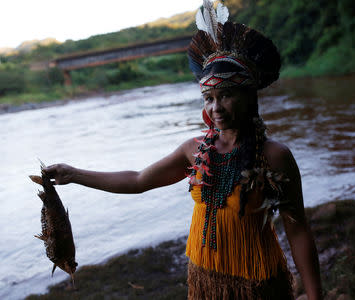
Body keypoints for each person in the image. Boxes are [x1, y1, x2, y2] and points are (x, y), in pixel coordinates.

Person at [43, 1, 323, 299]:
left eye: (226, 95)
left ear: (249, 96)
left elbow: (298, 230)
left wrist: (317, 296)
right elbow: (138, 180)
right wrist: (74, 174)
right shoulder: (195, 150)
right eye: (208, 98)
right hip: (204, 280)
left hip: (258, 285)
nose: (216, 107)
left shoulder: (275, 156)